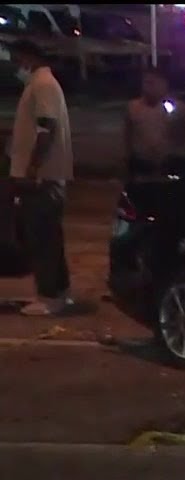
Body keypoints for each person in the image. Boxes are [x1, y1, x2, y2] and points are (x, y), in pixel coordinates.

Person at [6, 40, 75, 316]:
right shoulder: (40, 83)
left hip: (42, 178)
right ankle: (59, 292)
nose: (15, 64)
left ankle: (48, 296)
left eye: (17, 57)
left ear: (29, 56)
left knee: (41, 238)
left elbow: (46, 127)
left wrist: (32, 168)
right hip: (45, 176)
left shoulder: (42, 84)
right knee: (50, 238)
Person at [124, 68, 185, 181]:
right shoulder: (133, 108)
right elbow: (128, 135)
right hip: (143, 165)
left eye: (153, 83)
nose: (148, 88)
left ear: (164, 85)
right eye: (146, 83)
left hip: (172, 165)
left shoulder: (181, 109)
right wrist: (128, 159)